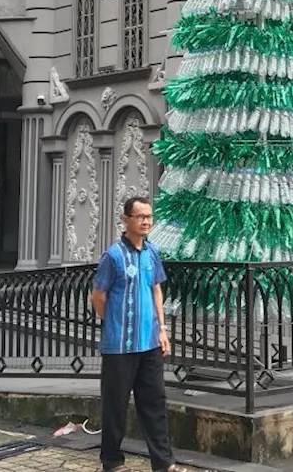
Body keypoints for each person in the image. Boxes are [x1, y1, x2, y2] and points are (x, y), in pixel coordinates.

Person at [92, 197, 189, 472]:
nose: (146, 221)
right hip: (120, 345)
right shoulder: (112, 256)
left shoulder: (152, 253)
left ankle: (164, 463)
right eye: (140, 217)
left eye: (149, 216)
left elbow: (156, 289)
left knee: (154, 403)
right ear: (126, 220)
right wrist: (112, 321)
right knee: (116, 406)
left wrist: (162, 329)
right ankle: (111, 462)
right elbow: (98, 296)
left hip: (148, 342)